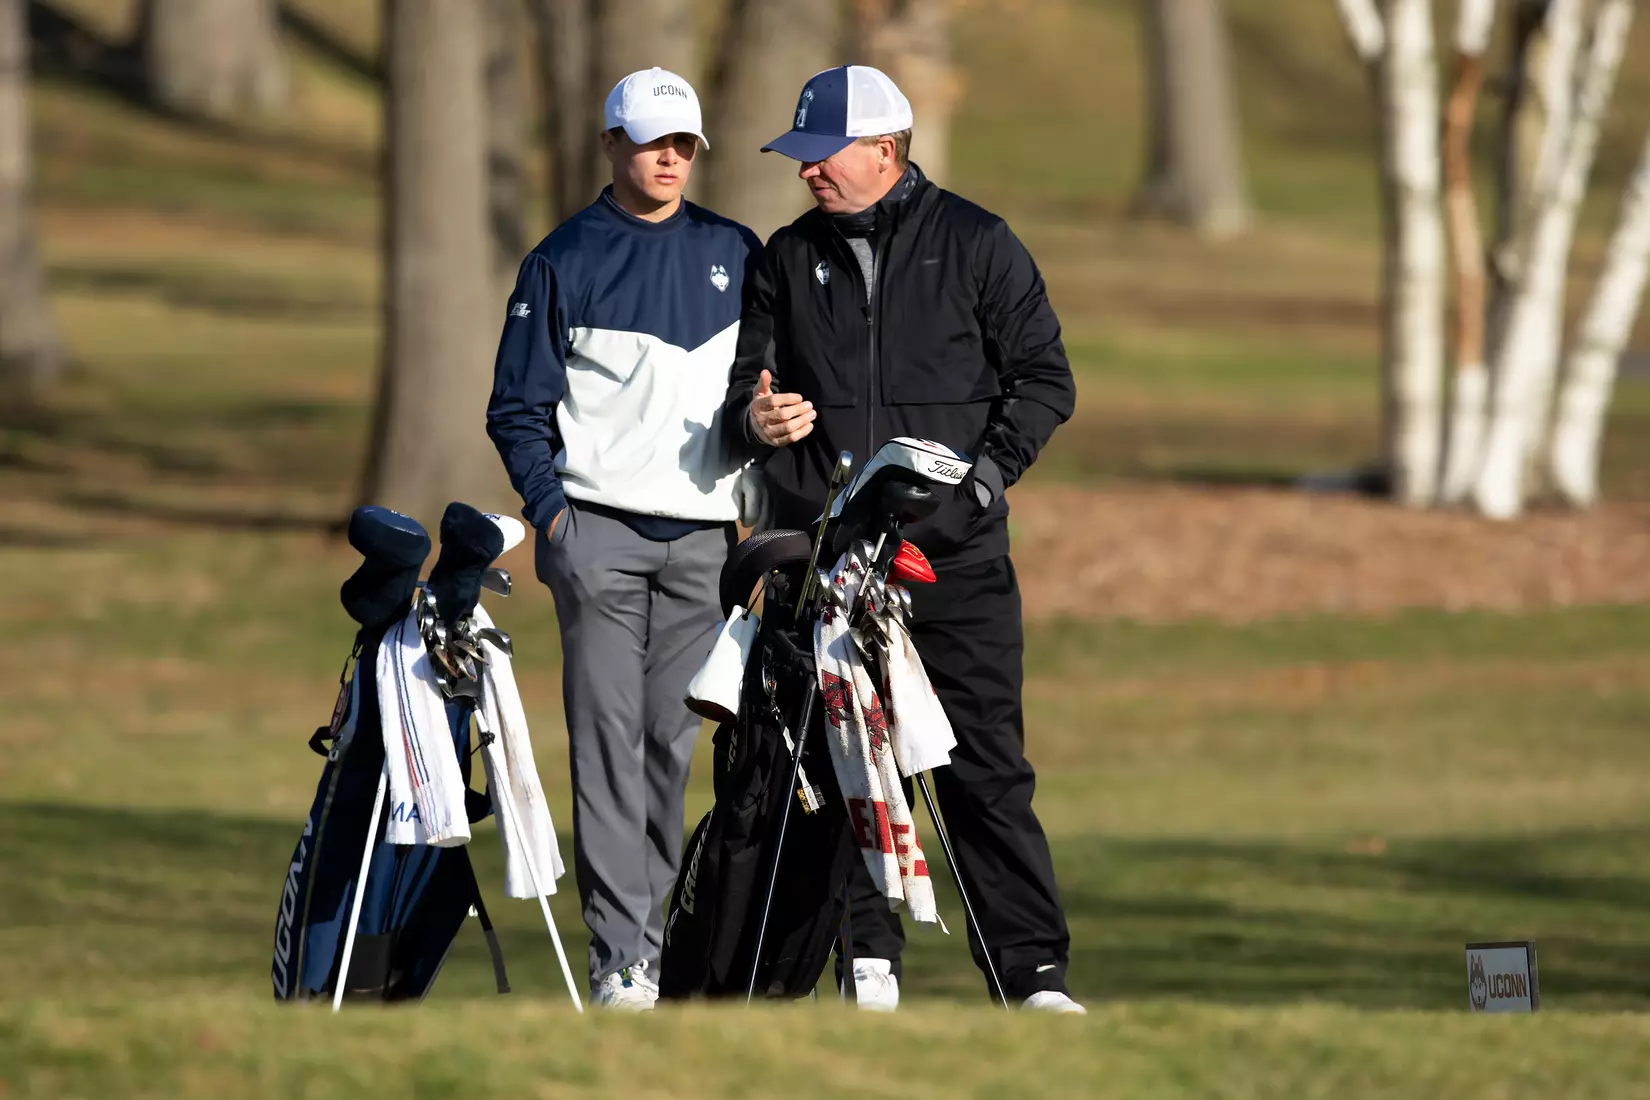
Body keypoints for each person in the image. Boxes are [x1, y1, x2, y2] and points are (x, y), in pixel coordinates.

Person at [721, 64, 1084, 1014]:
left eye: (823, 154)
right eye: (800, 156)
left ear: (886, 150)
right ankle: (865, 964)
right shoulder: (784, 257)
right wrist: (757, 421)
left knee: (984, 771)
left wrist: (983, 483)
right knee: (837, 766)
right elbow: (741, 392)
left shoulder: (976, 242)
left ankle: (1031, 977)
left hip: (950, 561)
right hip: (829, 565)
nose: (807, 171)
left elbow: (1044, 382)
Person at [486, 67, 762, 1010]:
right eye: (652, 143)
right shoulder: (562, 259)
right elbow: (516, 410)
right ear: (611, 145)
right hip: (596, 533)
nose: (670, 159)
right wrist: (553, 517)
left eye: (683, 145)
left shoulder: (736, 251)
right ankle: (622, 960)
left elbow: (757, 390)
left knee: (666, 744)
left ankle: (656, 947)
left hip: (704, 541)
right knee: (607, 742)